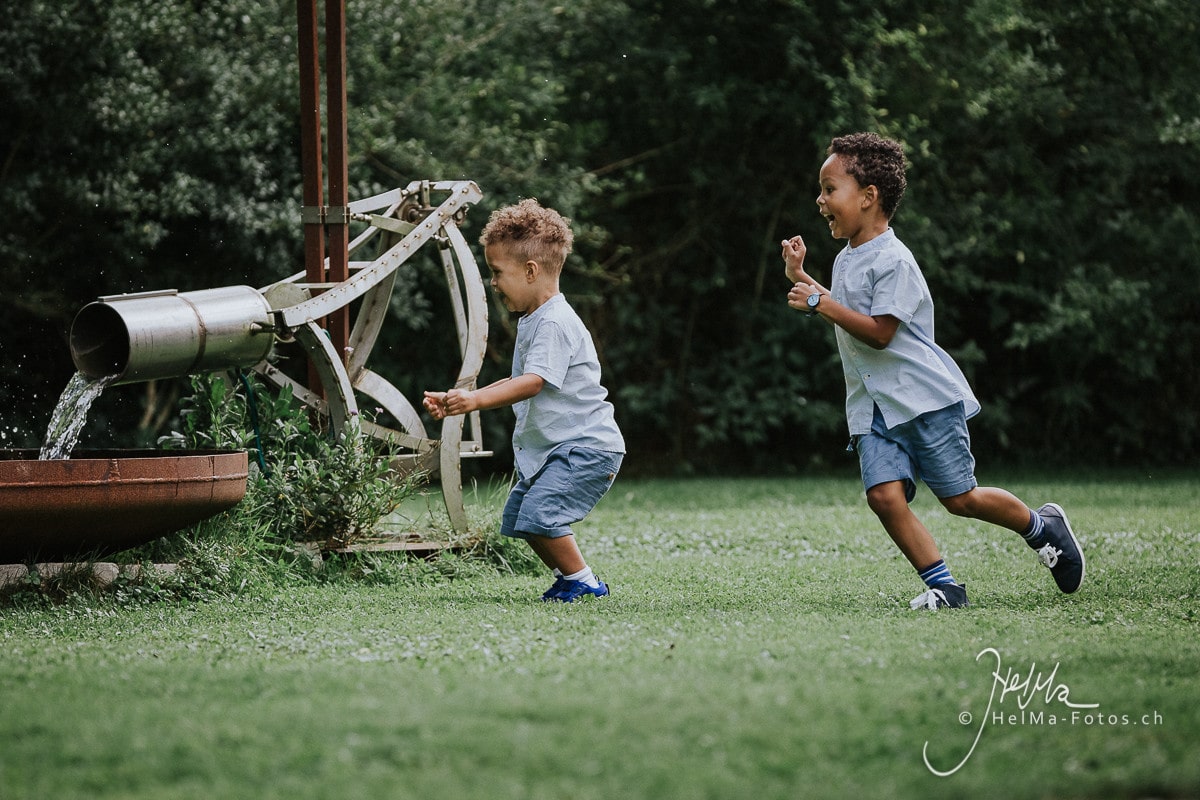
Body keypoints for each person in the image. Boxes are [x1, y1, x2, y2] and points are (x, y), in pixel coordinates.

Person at [781, 132, 1084, 610]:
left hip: (922, 400)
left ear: (868, 196)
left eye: (828, 188)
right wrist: (804, 280)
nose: (819, 200)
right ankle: (945, 587)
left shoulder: (896, 261)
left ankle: (1041, 526)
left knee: (960, 499)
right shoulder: (846, 259)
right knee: (883, 497)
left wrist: (818, 302)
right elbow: (844, 308)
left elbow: (880, 331)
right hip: (875, 407)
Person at [424, 199, 625, 602]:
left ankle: (584, 583)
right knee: (521, 516)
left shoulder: (553, 322)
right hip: (562, 449)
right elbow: (523, 378)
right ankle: (571, 578)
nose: (493, 283)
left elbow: (532, 383)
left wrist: (475, 400)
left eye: (497, 273)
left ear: (530, 271)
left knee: (540, 515)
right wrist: (461, 398)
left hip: (586, 448)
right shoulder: (538, 318)